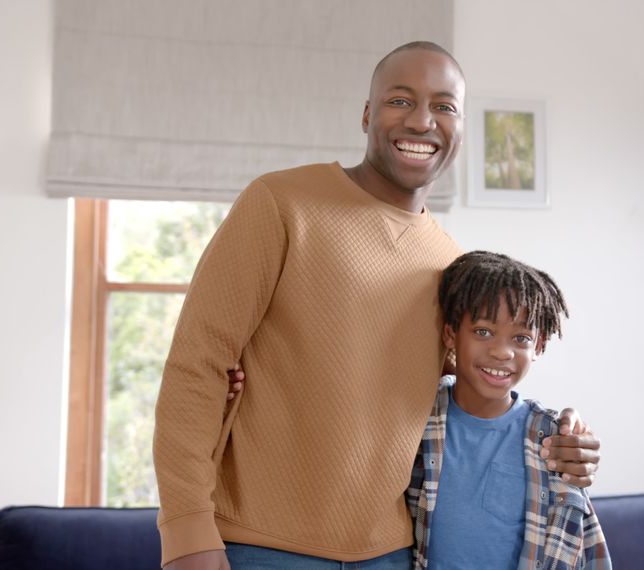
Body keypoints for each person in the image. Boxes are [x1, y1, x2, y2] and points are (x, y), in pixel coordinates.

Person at [154, 41, 601, 570]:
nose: (421, 121)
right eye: (400, 100)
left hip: (392, 553)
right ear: (368, 114)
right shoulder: (280, 203)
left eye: (444, 106)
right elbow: (197, 366)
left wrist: (559, 433)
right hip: (259, 545)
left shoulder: (451, 265)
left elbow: (476, 389)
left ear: (460, 128)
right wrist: (186, 531)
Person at [407, 251, 611, 570]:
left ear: (538, 346)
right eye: (483, 331)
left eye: (520, 338)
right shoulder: (416, 420)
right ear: (450, 334)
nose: (502, 352)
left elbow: (583, 546)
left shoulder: (552, 441)